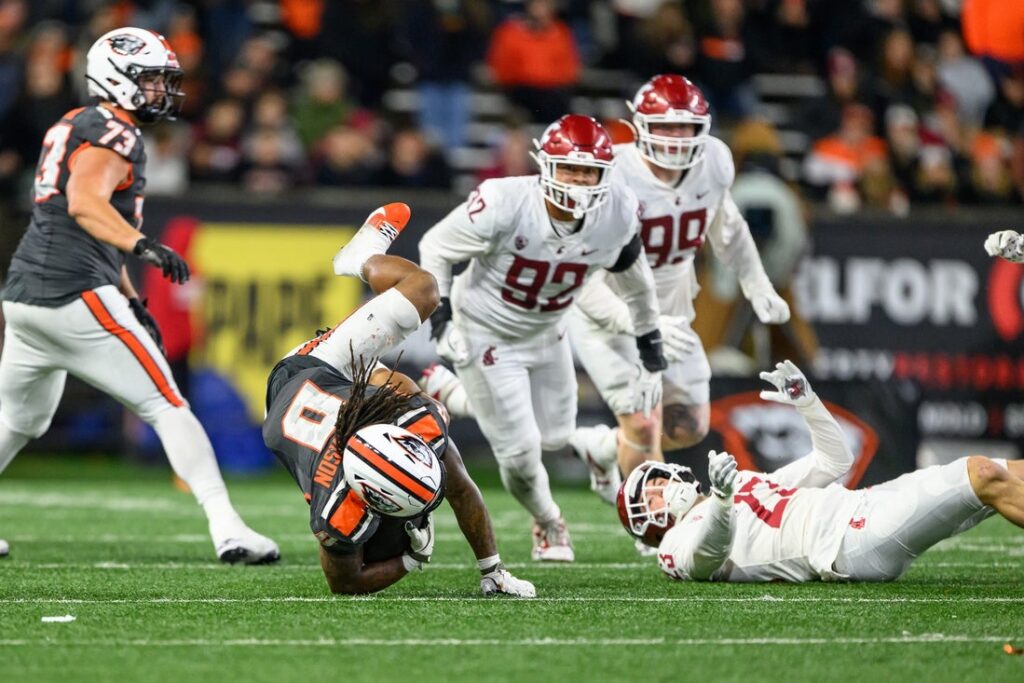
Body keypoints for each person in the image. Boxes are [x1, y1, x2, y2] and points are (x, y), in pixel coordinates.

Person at [422, 76, 789, 521]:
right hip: (604, 312)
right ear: (638, 125)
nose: (675, 139)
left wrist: (757, 284)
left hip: (667, 311)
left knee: (687, 426)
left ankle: (603, 448)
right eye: (665, 127)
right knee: (642, 423)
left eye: (685, 127)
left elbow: (726, 226)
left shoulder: (712, 162)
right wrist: (634, 326)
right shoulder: (602, 174)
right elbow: (584, 273)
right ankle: (653, 526)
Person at [0, 28, 278, 564]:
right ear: (115, 77)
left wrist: (130, 293)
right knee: (169, 405)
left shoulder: (74, 123)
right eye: (149, 79)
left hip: (26, 297)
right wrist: (143, 245)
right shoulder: (116, 133)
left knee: (18, 420)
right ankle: (229, 528)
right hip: (73, 293)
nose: (160, 91)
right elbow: (83, 203)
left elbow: (80, 221)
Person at [418, 115, 666, 563]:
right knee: (519, 453)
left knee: (552, 436)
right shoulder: (504, 200)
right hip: (486, 331)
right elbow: (436, 247)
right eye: (568, 168)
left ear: (604, 176)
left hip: (548, 330)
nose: (577, 180)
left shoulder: (616, 213)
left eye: (587, 171)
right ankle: (549, 521)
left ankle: (456, 394)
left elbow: (637, 284)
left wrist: (652, 350)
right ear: (545, 166)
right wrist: (442, 320)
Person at [263, 202, 534, 596]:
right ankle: (425, 389)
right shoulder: (336, 506)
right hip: (327, 402)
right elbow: (344, 582)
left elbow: (457, 486)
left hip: (312, 370)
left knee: (423, 291)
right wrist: (410, 559)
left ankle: (361, 259)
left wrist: (492, 569)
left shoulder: (412, 423)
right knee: (387, 543)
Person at [618, 360, 1024, 582]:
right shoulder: (674, 547)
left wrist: (807, 403)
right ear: (648, 527)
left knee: (1006, 471)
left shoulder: (744, 483)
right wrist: (723, 501)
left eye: (654, 482)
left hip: (861, 505)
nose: (659, 491)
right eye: (649, 497)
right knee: (982, 474)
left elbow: (835, 462)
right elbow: (709, 556)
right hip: (847, 543)